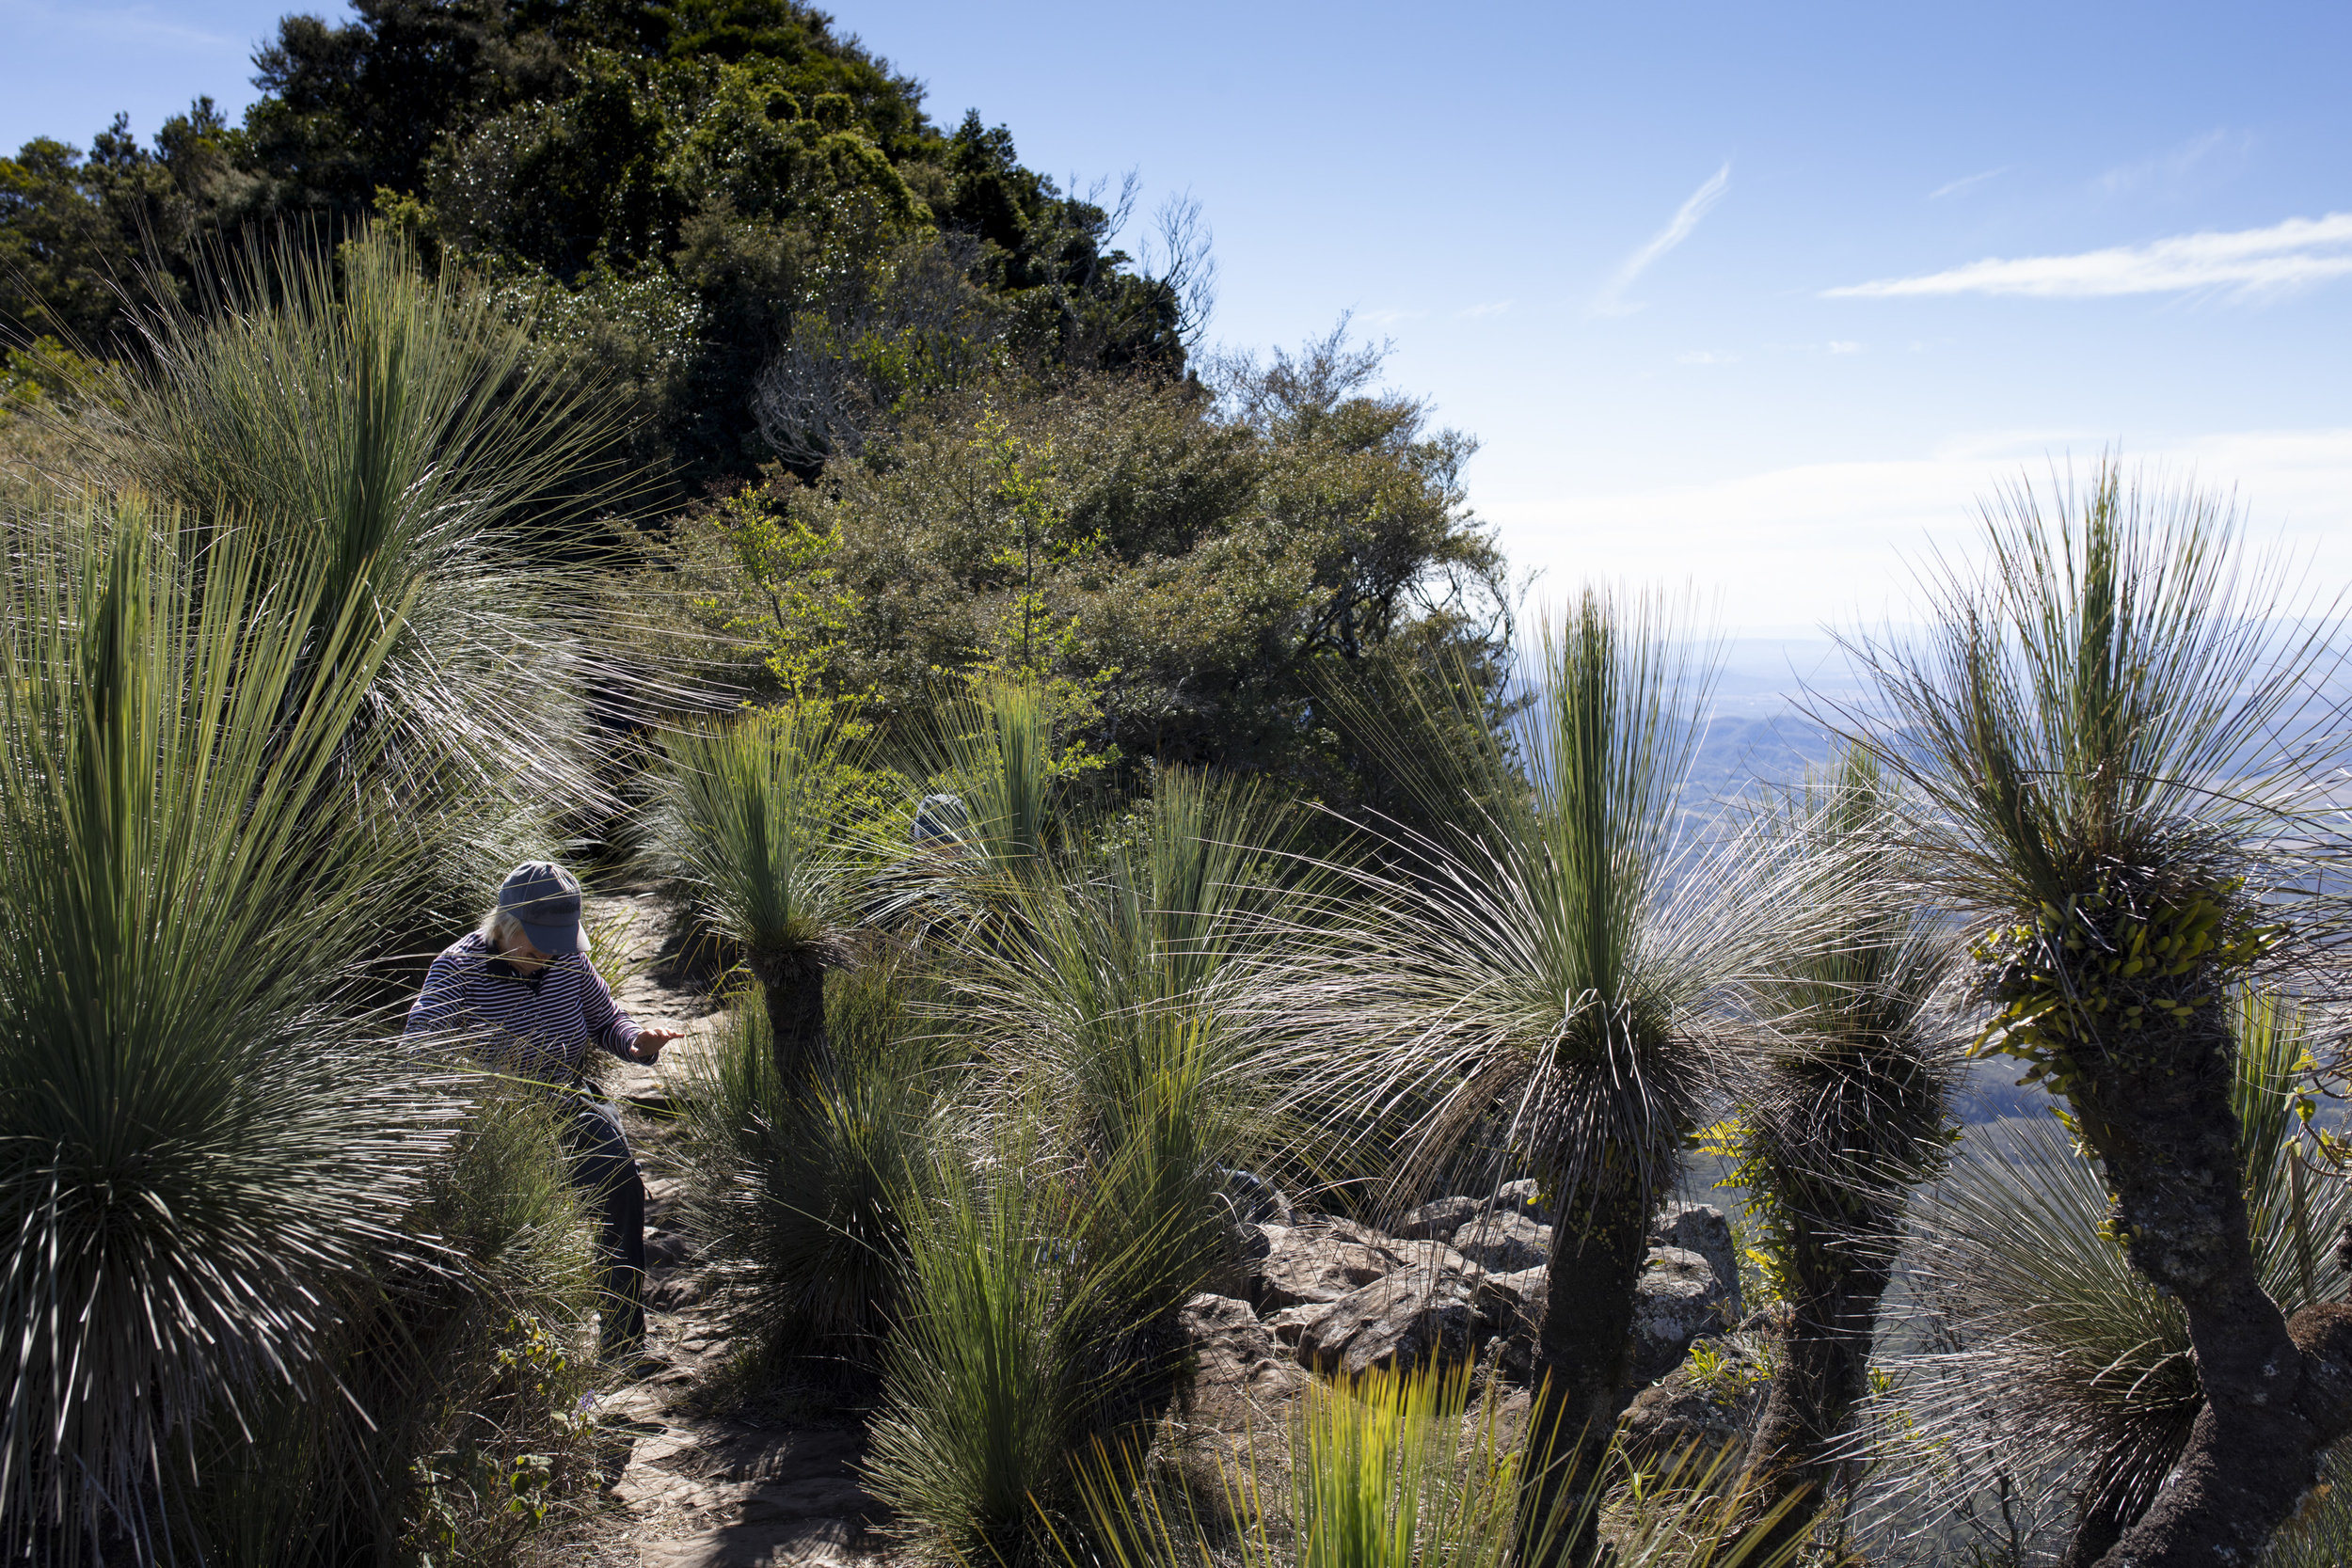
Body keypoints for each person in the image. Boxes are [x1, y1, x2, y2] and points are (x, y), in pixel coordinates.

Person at [404, 861, 680, 1358]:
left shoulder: (568, 960)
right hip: (487, 1115)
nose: (545, 961)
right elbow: (420, 1040)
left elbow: (606, 1020)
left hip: (561, 1094)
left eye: (556, 948)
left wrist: (637, 1042)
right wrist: (449, 1079)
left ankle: (622, 1338)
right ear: (504, 926)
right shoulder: (457, 967)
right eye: (534, 949)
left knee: (617, 1178)